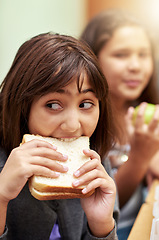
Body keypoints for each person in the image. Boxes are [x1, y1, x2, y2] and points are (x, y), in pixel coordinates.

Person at [0, 32, 120, 240]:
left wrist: (101, 223)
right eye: (53, 105)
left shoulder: (95, 163)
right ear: (22, 108)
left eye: (85, 104)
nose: (73, 126)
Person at [80, 9, 159, 239]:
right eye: (121, 55)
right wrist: (142, 157)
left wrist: (153, 154)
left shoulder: (141, 109)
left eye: (143, 54)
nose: (135, 66)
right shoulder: (83, 120)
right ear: (92, 58)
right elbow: (100, 205)